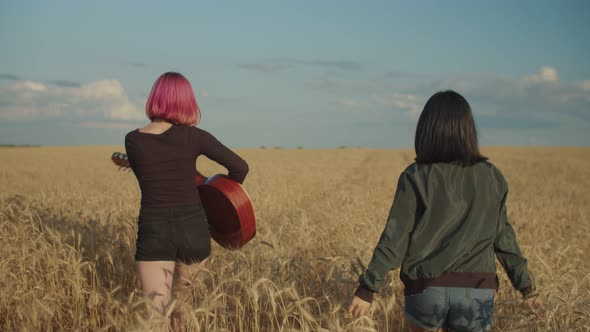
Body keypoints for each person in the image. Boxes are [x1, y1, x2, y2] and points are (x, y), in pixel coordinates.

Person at [347, 90, 535, 331]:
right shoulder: (492, 177)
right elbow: (504, 238)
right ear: (468, 131)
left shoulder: (415, 176)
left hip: (426, 289)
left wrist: (367, 289)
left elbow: (395, 238)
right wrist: (526, 287)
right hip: (477, 290)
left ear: (426, 130)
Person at [124, 72, 249, 321]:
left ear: (154, 98)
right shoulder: (196, 137)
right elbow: (240, 167)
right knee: (183, 311)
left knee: (156, 315)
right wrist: (219, 198)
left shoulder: (133, 140)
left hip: (155, 229)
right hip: (194, 230)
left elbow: (149, 180)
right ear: (186, 101)